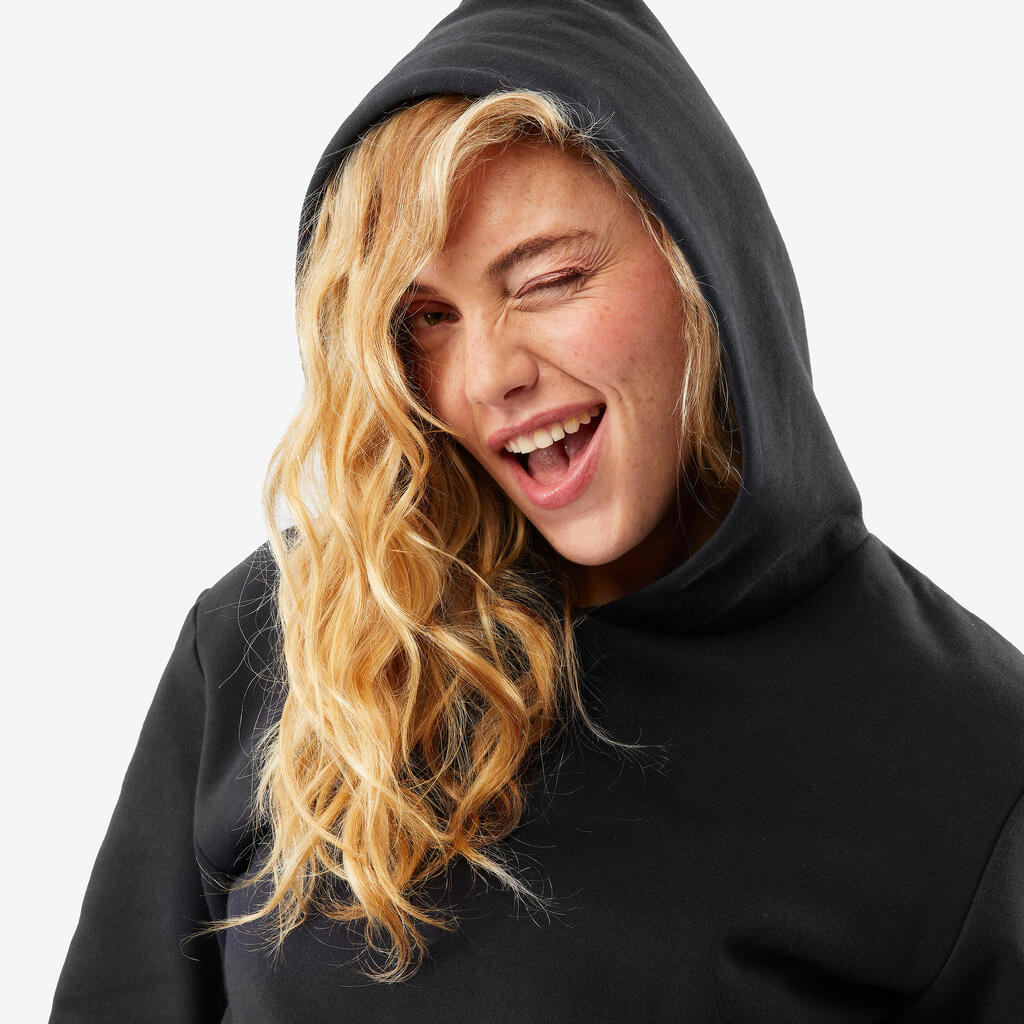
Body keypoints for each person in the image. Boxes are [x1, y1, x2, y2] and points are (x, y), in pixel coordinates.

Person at [50, 1, 1024, 1021]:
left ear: (701, 263)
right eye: (427, 318)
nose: (487, 376)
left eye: (549, 280)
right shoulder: (284, 634)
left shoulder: (967, 754)